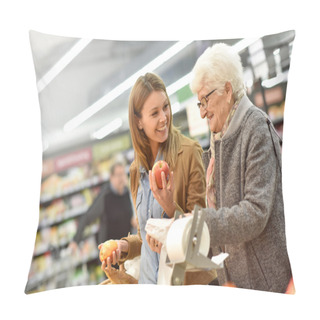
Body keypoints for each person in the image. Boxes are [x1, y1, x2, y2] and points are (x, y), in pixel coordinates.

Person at [188, 43, 292, 293]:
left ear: (226, 89)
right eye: (198, 103)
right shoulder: (219, 138)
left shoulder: (255, 127)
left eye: (205, 100)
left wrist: (203, 222)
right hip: (238, 281)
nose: (202, 112)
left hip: (267, 283)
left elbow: (255, 212)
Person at [101, 72, 216, 285]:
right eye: (154, 113)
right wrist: (124, 247)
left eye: (166, 107)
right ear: (139, 122)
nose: (164, 117)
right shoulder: (137, 169)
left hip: (185, 282)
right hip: (151, 281)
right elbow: (145, 236)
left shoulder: (189, 153)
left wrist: (170, 207)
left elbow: (202, 235)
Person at [70, 161, 136, 257]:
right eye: (118, 175)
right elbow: (87, 217)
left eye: (123, 174)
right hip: (109, 252)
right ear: (111, 177)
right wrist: (75, 241)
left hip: (126, 249)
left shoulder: (127, 193)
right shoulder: (105, 196)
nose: (122, 178)